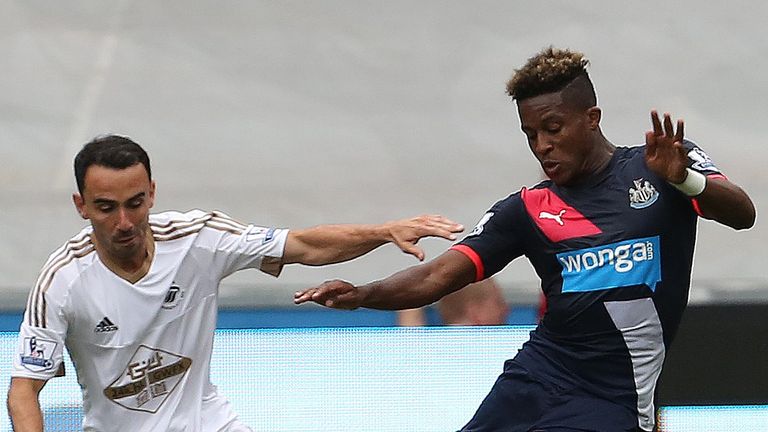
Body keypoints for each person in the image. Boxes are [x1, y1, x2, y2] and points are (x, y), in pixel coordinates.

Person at [294, 47, 756, 432]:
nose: (541, 145)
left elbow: (743, 214)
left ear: (591, 119)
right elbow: (438, 275)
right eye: (530, 134)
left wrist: (686, 181)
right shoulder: (526, 209)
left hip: (612, 399)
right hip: (537, 375)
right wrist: (362, 295)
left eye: (552, 129)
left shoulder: (660, 166)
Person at [6, 135, 463, 432]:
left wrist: (382, 232)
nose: (125, 222)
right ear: (81, 206)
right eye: (106, 207)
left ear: (153, 194)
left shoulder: (198, 239)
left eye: (136, 203)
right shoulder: (61, 280)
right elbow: (24, 390)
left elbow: (303, 245)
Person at [396, 278, 509, 326]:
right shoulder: (494, 353)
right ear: (475, 311)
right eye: (498, 303)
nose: (506, 310)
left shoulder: (423, 352)